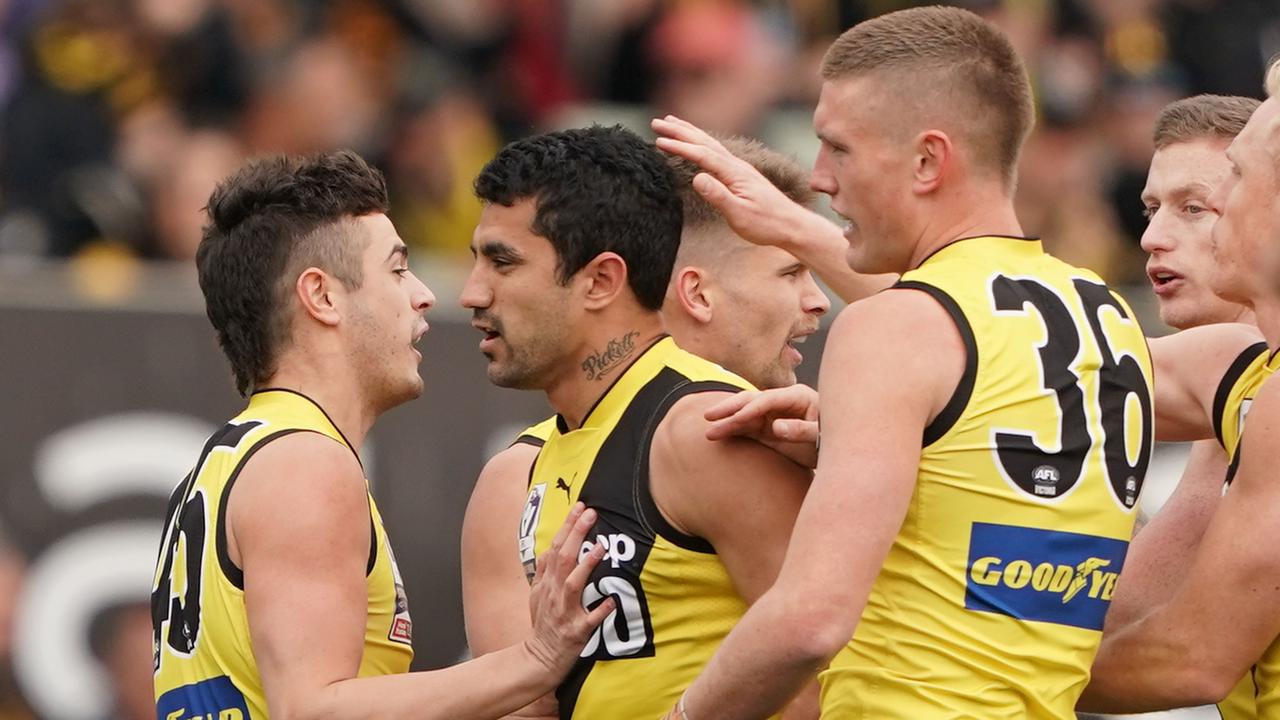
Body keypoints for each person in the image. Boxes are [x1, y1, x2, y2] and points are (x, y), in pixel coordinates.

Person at [653, 7, 1154, 718]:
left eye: (838, 149)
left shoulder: (894, 329)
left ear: (927, 161)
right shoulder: (1105, 315)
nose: (820, 178)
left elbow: (810, 619)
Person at [150, 150, 613, 720]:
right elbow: (314, 710)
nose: (425, 294)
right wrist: (536, 659)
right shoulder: (305, 462)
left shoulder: (240, 455)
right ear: (321, 296)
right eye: (396, 270)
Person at [460, 136, 829, 719]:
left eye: (502, 262)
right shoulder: (523, 470)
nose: (470, 293)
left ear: (603, 280)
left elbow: (819, 675)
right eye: (791, 273)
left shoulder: (708, 430)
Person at [1079, 60, 1280, 714]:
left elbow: (1188, 656)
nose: (1151, 236)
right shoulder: (1241, 367)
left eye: (1232, 183)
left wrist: (967, 672)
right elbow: (1008, 367)